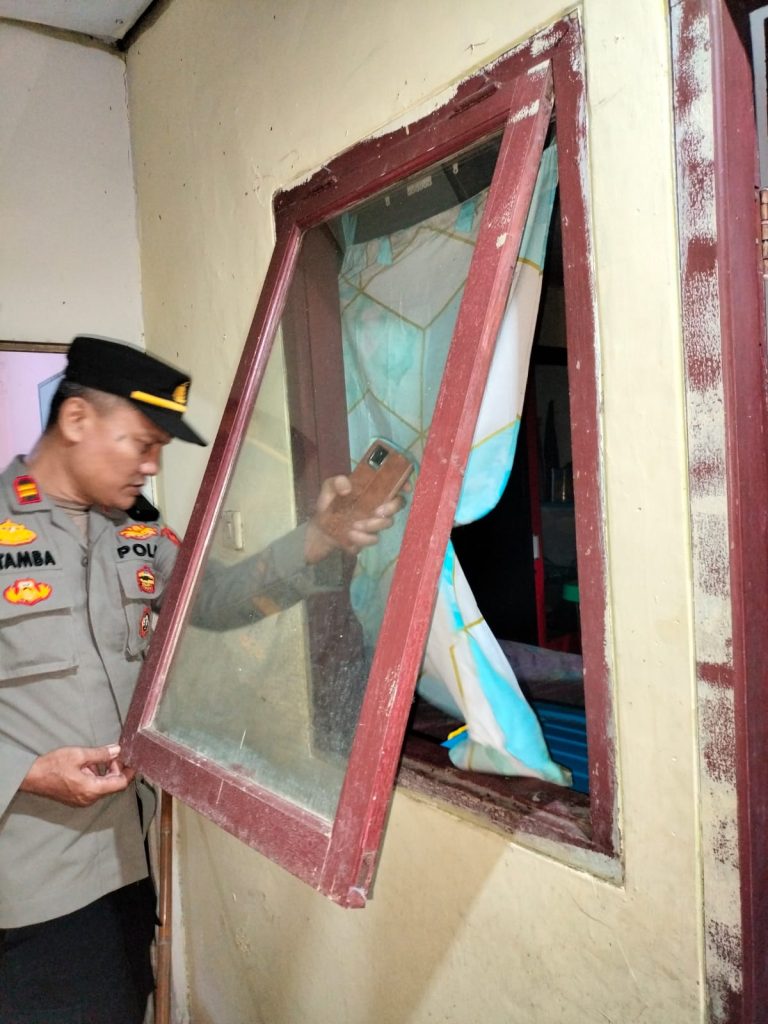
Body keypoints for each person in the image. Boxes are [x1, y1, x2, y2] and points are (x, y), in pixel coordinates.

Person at [0, 336, 403, 1024]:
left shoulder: (135, 530)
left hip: (127, 859)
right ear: (76, 420)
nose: (152, 465)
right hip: (31, 882)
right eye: (143, 443)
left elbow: (211, 601)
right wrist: (26, 772)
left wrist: (321, 537)